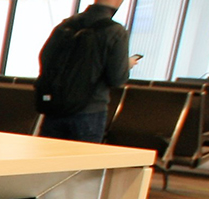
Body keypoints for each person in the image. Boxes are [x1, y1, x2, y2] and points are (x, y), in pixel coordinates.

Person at [35, 0, 136, 142]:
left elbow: (45, 57)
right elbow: (117, 78)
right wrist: (127, 64)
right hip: (89, 110)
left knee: (48, 161)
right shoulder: (115, 31)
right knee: (82, 162)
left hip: (55, 107)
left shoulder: (66, 24)